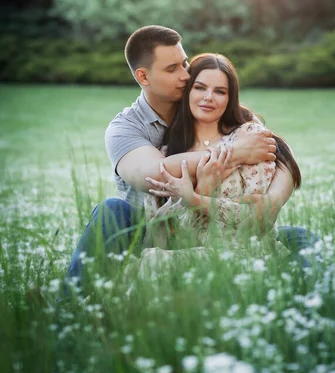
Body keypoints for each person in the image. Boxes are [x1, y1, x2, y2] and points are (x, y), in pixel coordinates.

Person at [63, 26, 319, 293]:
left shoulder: (204, 103)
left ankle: (310, 301)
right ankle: (71, 303)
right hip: (150, 231)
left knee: (302, 240)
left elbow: (273, 146)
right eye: (172, 69)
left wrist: (274, 200)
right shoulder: (126, 128)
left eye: (185, 63)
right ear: (143, 76)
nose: (185, 75)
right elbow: (156, 173)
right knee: (112, 210)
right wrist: (231, 154)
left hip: (223, 225)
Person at [144, 53, 301, 255]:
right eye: (200, 88)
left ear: (230, 99)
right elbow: (161, 238)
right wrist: (204, 186)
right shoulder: (167, 154)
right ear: (186, 92)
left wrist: (194, 199)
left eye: (220, 91)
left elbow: (255, 220)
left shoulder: (250, 140)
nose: (208, 97)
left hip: (242, 254)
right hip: (183, 256)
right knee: (153, 260)